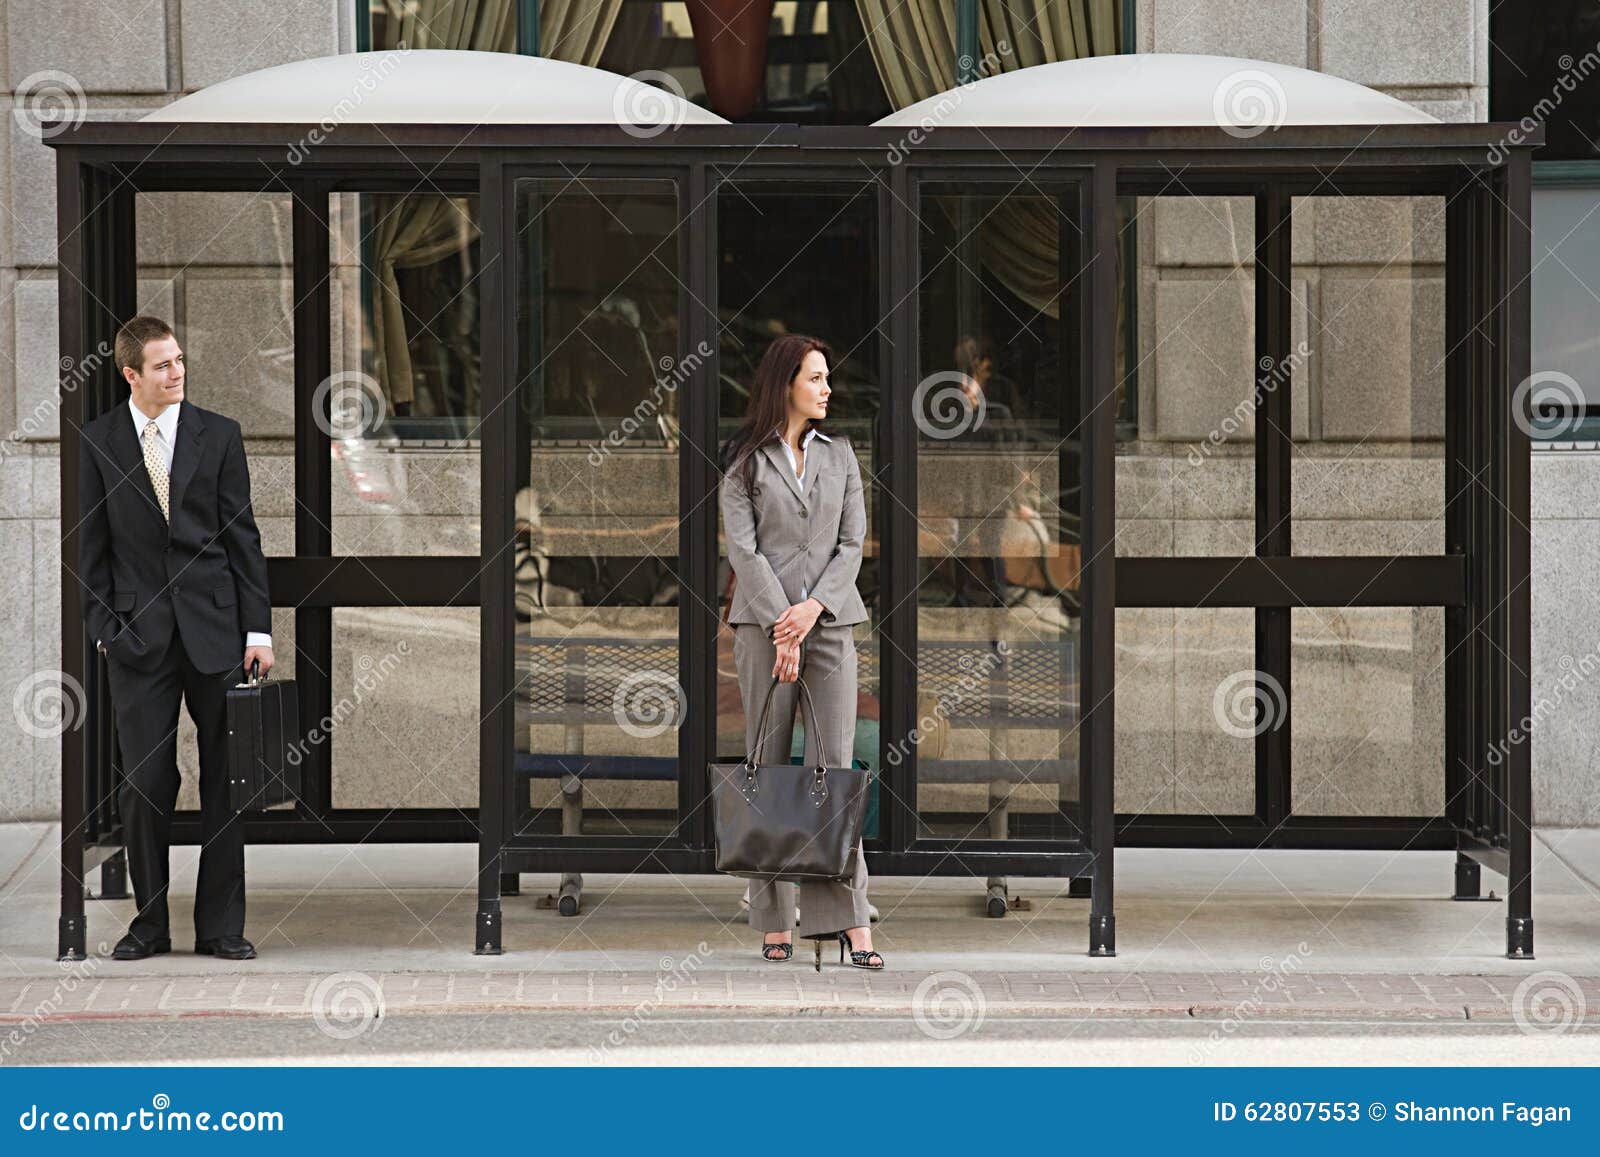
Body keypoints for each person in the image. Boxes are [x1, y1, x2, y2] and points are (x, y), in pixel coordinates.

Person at [78, 315, 273, 962]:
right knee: (146, 783)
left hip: (217, 634)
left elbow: (243, 538)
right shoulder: (99, 440)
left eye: (180, 359)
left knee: (227, 781)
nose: (178, 371)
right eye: (163, 365)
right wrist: (107, 631)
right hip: (138, 642)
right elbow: (89, 552)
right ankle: (149, 923)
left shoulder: (219, 434)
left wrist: (258, 629)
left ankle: (220, 927)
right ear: (131, 374)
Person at [718, 334, 882, 969]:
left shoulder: (841, 456)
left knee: (831, 774)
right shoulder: (743, 461)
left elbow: (852, 544)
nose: (827, 388)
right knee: (768, 769)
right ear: (786, 382)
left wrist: (811, 613)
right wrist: (782, 624)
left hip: (832, 625)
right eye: (816, 377)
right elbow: (743, 550)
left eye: (828, 377)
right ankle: (773, 920)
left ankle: (847, 920)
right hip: (763, 630)